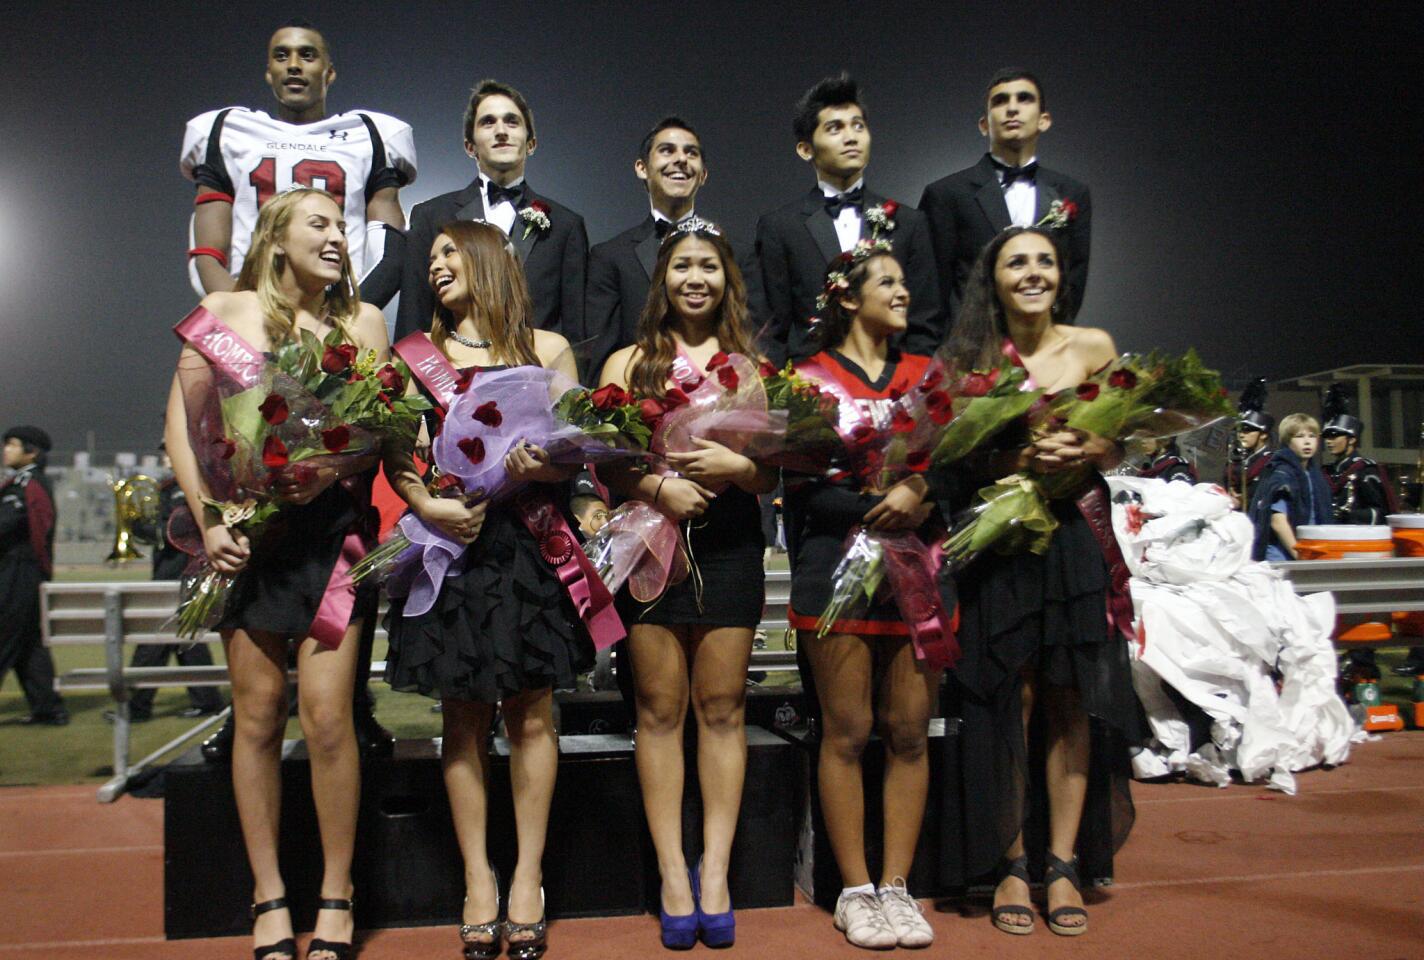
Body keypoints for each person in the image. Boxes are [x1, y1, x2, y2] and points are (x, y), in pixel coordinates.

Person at [164, 188, 390, 960]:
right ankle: (268, 895)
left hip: (333, 539)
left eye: (340, 226)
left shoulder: (363, 323)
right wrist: (210, 520)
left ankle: (337, 891)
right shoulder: (225, 311)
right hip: (248, 541)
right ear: (275, 235)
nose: (336, 237)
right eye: (319, 224)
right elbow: (182, 427)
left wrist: (330, 467)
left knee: (329, 719)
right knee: (257, 717)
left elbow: (379, 427)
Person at [385, 220, 587, 960]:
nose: (436, 266)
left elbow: (580, 452)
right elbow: (396, 453)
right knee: (462, 719)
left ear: (488, 261)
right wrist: (426, 503)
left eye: (449, 253)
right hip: (453, 548)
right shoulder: (416, 357)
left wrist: (549, 467)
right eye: (430, 257)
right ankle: (478, 876)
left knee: (534, 714)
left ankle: (528, 876)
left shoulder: (551, 349)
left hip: (530, 550)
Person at [935, 226, 1140, 938]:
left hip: (1074, 541)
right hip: (1002, 545)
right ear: (992, 279)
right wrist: (1020, 455)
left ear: (1062, 274)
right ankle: (1012, 861)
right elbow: (950, 464)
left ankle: (1063, 863)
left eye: (1044, 261)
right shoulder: (970, 361)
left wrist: (1090, 445)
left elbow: (1123, 441)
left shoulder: (1095, 346)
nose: (1032, 272)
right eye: (1015, 261)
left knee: (1070, 699)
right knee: (1007, 701)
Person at [597, 219, 776, 949]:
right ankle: (674, 870)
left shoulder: (753, 367)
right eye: (681, 267)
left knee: (724, 706)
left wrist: (745, 472)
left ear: (726, 280)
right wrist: (656, 486)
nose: (694, 278)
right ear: (662, 282)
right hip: (649, 544)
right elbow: (604, 461)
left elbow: (771, 469)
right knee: (661, 710)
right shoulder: (626, 363)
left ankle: (716, 874)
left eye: (708, 265)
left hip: (730, 543)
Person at [784, 248, 940, 949]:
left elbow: (954, 465)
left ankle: (898, 887)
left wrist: (922, 492)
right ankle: (852, 889)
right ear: (847, 297)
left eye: (904, 281)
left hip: (919, 564)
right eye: (888, 282)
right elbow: (800, 487)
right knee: (846, 732)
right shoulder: (808, 378)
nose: (903, 292)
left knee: (908, 731)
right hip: (835, 567)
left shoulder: (928, 376)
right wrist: (876, 499)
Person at [181, 19, 415, 306]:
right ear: (269, 72)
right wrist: (243, 313)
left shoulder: (370, 134)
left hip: (337, 305)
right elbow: (207, 253)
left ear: (328, 73)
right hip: (248, 302)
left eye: (307, 55)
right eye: (281, 55)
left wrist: (347, 317)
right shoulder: (226, 130)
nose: (293, 64)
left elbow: (388, 257)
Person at [756, 73, 943, 364]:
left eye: (858, 125)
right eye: (834, 128)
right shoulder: (780, 227)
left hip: (896, 392)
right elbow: (772, 331)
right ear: (806, 149)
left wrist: (912, 395)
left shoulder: (910, 223)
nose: (851, 136)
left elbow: (925, 324)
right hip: (812, 392)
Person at [395, 80, 587, 343]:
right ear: (469, 147)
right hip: (451, 377)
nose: (501, 131)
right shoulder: (431, 215)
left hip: (534, 376)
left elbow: (576, 330)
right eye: (488, 122)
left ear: (531, 143)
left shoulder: (565, 225)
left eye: (512, 121)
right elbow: (414, 317)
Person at [585, 116, 769, 384]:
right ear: (641, 168)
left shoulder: (739, 254)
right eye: (667, 150)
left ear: (703, 174)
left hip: (730, 399)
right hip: (642, 399)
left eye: (691, 153)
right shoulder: (611, 256)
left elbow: (759, 339)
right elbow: (598, 357)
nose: (681, 159)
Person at [919, 68, 1091, 324]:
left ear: (1044, 120)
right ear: (984, 124)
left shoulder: (1072, 193)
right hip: (969, 353)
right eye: (1000, 101)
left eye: (1024, 98)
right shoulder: (946, 194)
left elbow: (1072, 283)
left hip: (1046, 350)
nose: (1012, 108)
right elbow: (931, 291)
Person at [104, 447, 224, 724]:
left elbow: (178, 531)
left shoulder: (186, 486)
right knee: (185, 641)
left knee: (155, 639)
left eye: (169, 451)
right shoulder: (173, 486)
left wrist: (137, 526)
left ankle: (137, 706)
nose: (164, 457)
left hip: (179, 570)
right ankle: (205, 701)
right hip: (173, 570)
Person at [0, 426, 68, 726]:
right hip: (23, 572)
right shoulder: (24, 483)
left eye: (12, 445)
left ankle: (49, 708)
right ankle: (48, 709)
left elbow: (5, 525)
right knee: (29, 644)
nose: (5, 450)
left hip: (18, 571)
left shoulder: (27, 485)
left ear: (32, 451)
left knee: (5, 635)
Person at [1247, 414, 1332, 562]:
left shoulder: (1314, 474)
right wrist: (1299, 554)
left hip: (1309, 550)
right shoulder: (1282, 473)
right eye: (1299, 436)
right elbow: (1277, 521)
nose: (1307, 442)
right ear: (1287, 441)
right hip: (1283, 555)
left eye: (1312, 436)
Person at [1224, 383, 1274, 511]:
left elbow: (1269, 498)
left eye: (1247, 431)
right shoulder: (1236, 461)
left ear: (1263, 434)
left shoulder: (1271, 462)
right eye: (1239, 431)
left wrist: (1244, 501)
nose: (1241, 435)